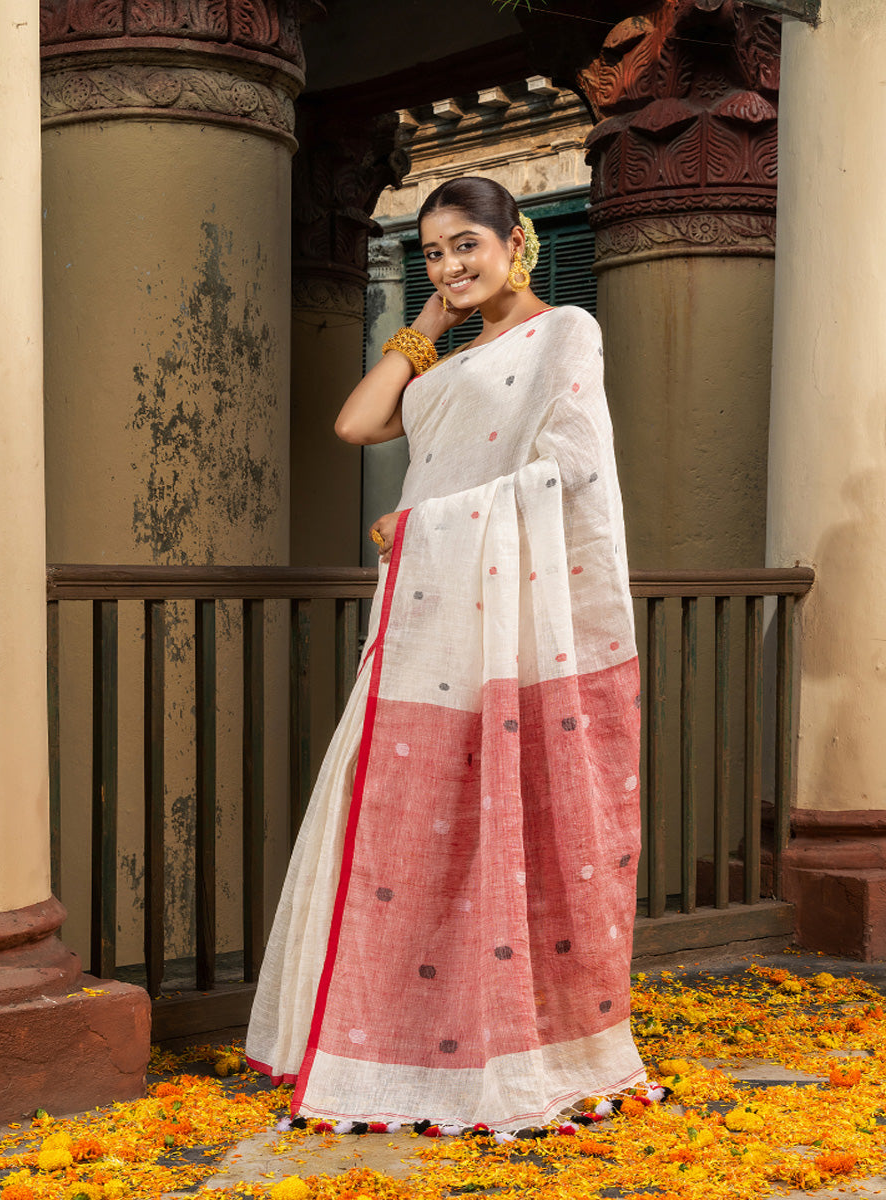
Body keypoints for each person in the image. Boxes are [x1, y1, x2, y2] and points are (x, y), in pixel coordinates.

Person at [246, 176, 646, 1132]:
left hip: (497, 611)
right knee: (408, 825)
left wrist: (432, 522)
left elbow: (576, 467)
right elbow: (358, 422)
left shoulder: (565, 334)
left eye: (469, 244)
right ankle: (398, 1043)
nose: (452, 264)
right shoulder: (451, 356)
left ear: (521, 241)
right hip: (427, 613)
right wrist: (432, 311)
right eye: (432, 252)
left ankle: (504, 1046)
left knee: (493, 823)